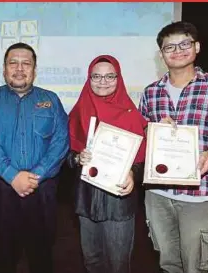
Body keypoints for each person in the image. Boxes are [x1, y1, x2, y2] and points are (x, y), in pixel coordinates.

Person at [138, 21, 208, 273]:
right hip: (158, 194)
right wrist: (151, 131)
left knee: (200, 266)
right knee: (168, 263)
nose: (177, 50)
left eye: (184, 44)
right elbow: (142, 135)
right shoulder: (150, 93)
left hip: (201, 193)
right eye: (169, 46)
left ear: (197, 46)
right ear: (161, 54)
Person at [0, 42, 69, 273]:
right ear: (4, 69)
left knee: (42, 256)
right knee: (3, 256)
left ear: (35, 70)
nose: (19, 68)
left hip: (42, 189)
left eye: (26, 63)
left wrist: (36, 175)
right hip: (2, 190)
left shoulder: (51, 100)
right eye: (12, 63)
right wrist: (12, 176)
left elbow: (60, 142)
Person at [68, 55, 147, 273]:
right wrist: (77, 158)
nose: (103, 81)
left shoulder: (131, 114)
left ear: (118, 78)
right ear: (89, 78)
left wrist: (132, 172)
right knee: (91, 261)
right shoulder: (78, 111)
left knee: (118, 264)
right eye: (97, 76)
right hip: (86, 199)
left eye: (110, 76)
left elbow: (143, 159)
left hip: (119, 201)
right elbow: (66, 156)